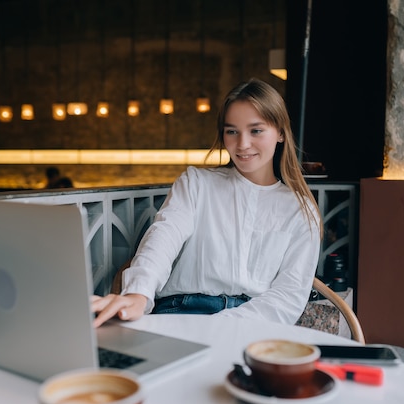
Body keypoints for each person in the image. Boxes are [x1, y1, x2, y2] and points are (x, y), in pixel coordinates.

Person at [91, 78, 322, 327]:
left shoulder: (300, 209)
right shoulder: (196, 183)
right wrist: (138, 293)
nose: (242, 144)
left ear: (280, 133)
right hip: (181, 313)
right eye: (232, 131)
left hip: (253, 323)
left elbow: (287, 297)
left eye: (256, 130)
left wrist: (223, 326)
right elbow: (163, 238)